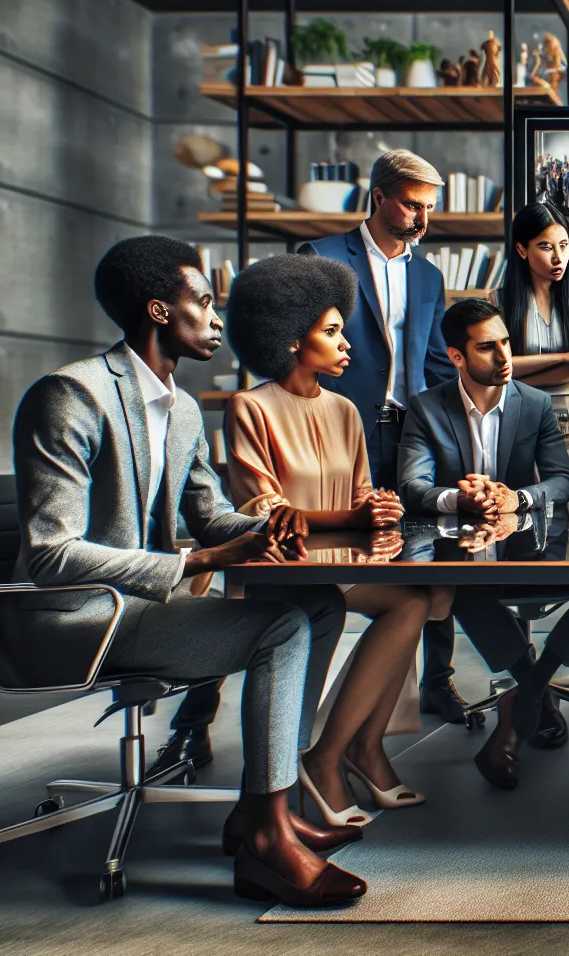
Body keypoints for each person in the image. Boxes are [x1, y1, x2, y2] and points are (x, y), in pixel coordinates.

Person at [12, 235, 363, 907]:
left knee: (320, 603)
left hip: (139, 608)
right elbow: (50, 555)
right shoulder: (71, 396)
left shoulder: (176, 409)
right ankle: (265, 841)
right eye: (202, 301)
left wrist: (270, 525)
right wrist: (199, 561)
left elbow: (212, 517)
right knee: (283, 627)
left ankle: (266, 809)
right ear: (157, 311)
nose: (215, 316)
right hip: (77, 619)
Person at [221, 254, 452, 827]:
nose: (346, 343)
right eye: (331, 332)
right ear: (290, 341)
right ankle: (329, 759)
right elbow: (264, 513)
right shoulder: (249, 407)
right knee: (409, 602)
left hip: (333, 565)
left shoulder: (347, 410)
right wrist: (350, 514)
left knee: (419, 600)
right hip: (280, 570)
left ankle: (357, 747)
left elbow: (360, 499)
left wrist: (379, 509)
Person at [399, 297, 569, 790]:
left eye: (506, 342)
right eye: (487, 347)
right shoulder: (426, 407)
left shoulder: (534, 402)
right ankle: (534, 694)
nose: (504, 355)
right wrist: (459, 498)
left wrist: (516, 498)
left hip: (526, 545)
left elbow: (562, 482)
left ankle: (526, 690)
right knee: (462, 586)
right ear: (457, 356)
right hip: (464, 550)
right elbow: (412, 487)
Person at [295, 149, 468, 728]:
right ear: (379, 198)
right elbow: (294, 351)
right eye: (412, 205)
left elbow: (437, 361)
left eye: (429, 209)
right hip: (341, 430)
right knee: (313, 557)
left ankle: (438, 682)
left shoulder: (428, 274)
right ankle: (233, 711)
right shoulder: (320, 258)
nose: (422, 219)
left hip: (414, 433)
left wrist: (457, 426)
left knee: (435, 555)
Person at [498, 203, 569, 482]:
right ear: (522, 250)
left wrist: (521, 368)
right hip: (518, 416)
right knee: (523, 510)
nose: (559, 257)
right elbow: (499, 367)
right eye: (546, 247)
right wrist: (566, 358)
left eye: (564, 245)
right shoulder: (498, 302)